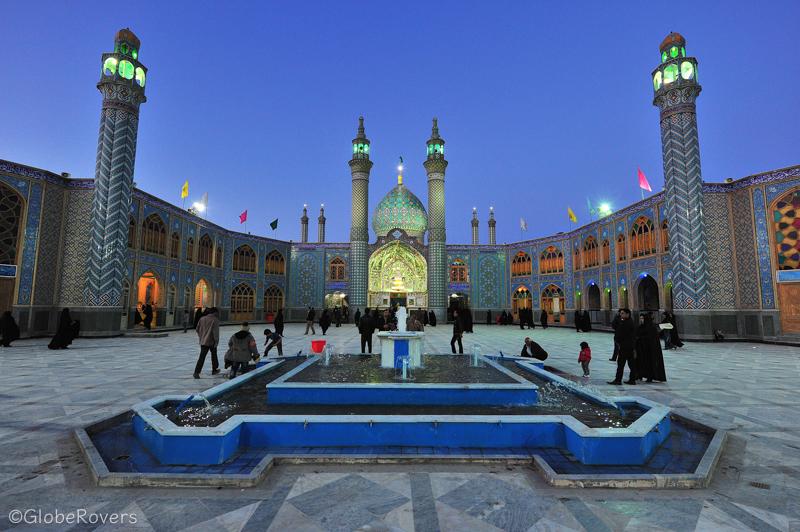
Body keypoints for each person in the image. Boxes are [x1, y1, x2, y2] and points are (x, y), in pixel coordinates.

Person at [608, 308, 636, 385]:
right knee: (630, 363)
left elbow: (621, 333)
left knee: (621, 364)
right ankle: (632, 379)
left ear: (628, 314)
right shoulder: (625, 321)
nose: (621, 315)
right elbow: (614, 326)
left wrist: (618, 341)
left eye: (623, 313)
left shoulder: (627, 323)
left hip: (625, 346)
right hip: (628, 346)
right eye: (620, 313)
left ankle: (618, 380)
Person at [636, 313, 667, 382]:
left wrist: (641, 338)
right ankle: (640, 375)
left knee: (649, 363)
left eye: (642, 318)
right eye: (640, 318)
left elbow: (652, 339)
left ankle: (650, 376)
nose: (641, 320)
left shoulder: (651, 327)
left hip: (649, 350)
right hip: (641, 349)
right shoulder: (641, 327)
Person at [193, 307, 220, 378]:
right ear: (215, 313)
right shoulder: (215, 320)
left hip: (203, 341)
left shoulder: (202, 319)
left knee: (202, 357)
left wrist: (201, 336)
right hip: (212, 342)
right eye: (217, 313)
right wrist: (216, 341)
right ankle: (214, 370)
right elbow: (215, 333)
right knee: (214, 356)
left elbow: (197, 329)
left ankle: (196, 372)